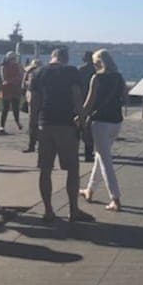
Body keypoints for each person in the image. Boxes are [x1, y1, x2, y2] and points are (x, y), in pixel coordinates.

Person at [30, 47, 93, 223]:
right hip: (66, 124)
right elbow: (77, 98)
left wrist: (32, 126)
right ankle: (73, 209)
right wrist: (82, 122)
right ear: (65, 58)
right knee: (72, 169)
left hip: (45, 124)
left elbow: (34, 102)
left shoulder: (38, 72)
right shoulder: (71, 71)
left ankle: (48, 210)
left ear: (52, 57)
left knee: (45, 169)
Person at [79, 49, 127, 212]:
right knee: (101, 157)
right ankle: (90, 190)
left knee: (105, 160)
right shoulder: (119, 77)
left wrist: (80, 117)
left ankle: (115, 198)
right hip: (116, 121)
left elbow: (89, 102)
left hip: (100, 122)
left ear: (98, 63)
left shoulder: (97, 78)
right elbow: (125, 97)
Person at [0, 52, 23, 134]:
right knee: (5, 108)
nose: (14, 60)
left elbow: (20, 76)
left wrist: (15, 80)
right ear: (8, 59)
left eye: (15, 59)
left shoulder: (18, 66)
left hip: (15, 89)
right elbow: (4, 78)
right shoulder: (4, 67)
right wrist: (13, 80)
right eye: (13, 59)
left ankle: (18, 122)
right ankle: (2, 126)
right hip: (7, 89)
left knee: (16, 108)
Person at [77, 51, 95, 162]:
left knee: (78, 128)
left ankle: (74, 151)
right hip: (93, 102)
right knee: (89, 129)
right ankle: (89, 153)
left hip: (81, 100)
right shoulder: (96, 70)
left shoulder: (80, 70)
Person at [21, 59, 43, 153]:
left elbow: (23, 86)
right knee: (40, 123)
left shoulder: (30, 73)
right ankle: (39, 144)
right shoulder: (44, 74)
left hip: (33, 99)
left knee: (33, 123)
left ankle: (32, 145)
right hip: (42, 99)